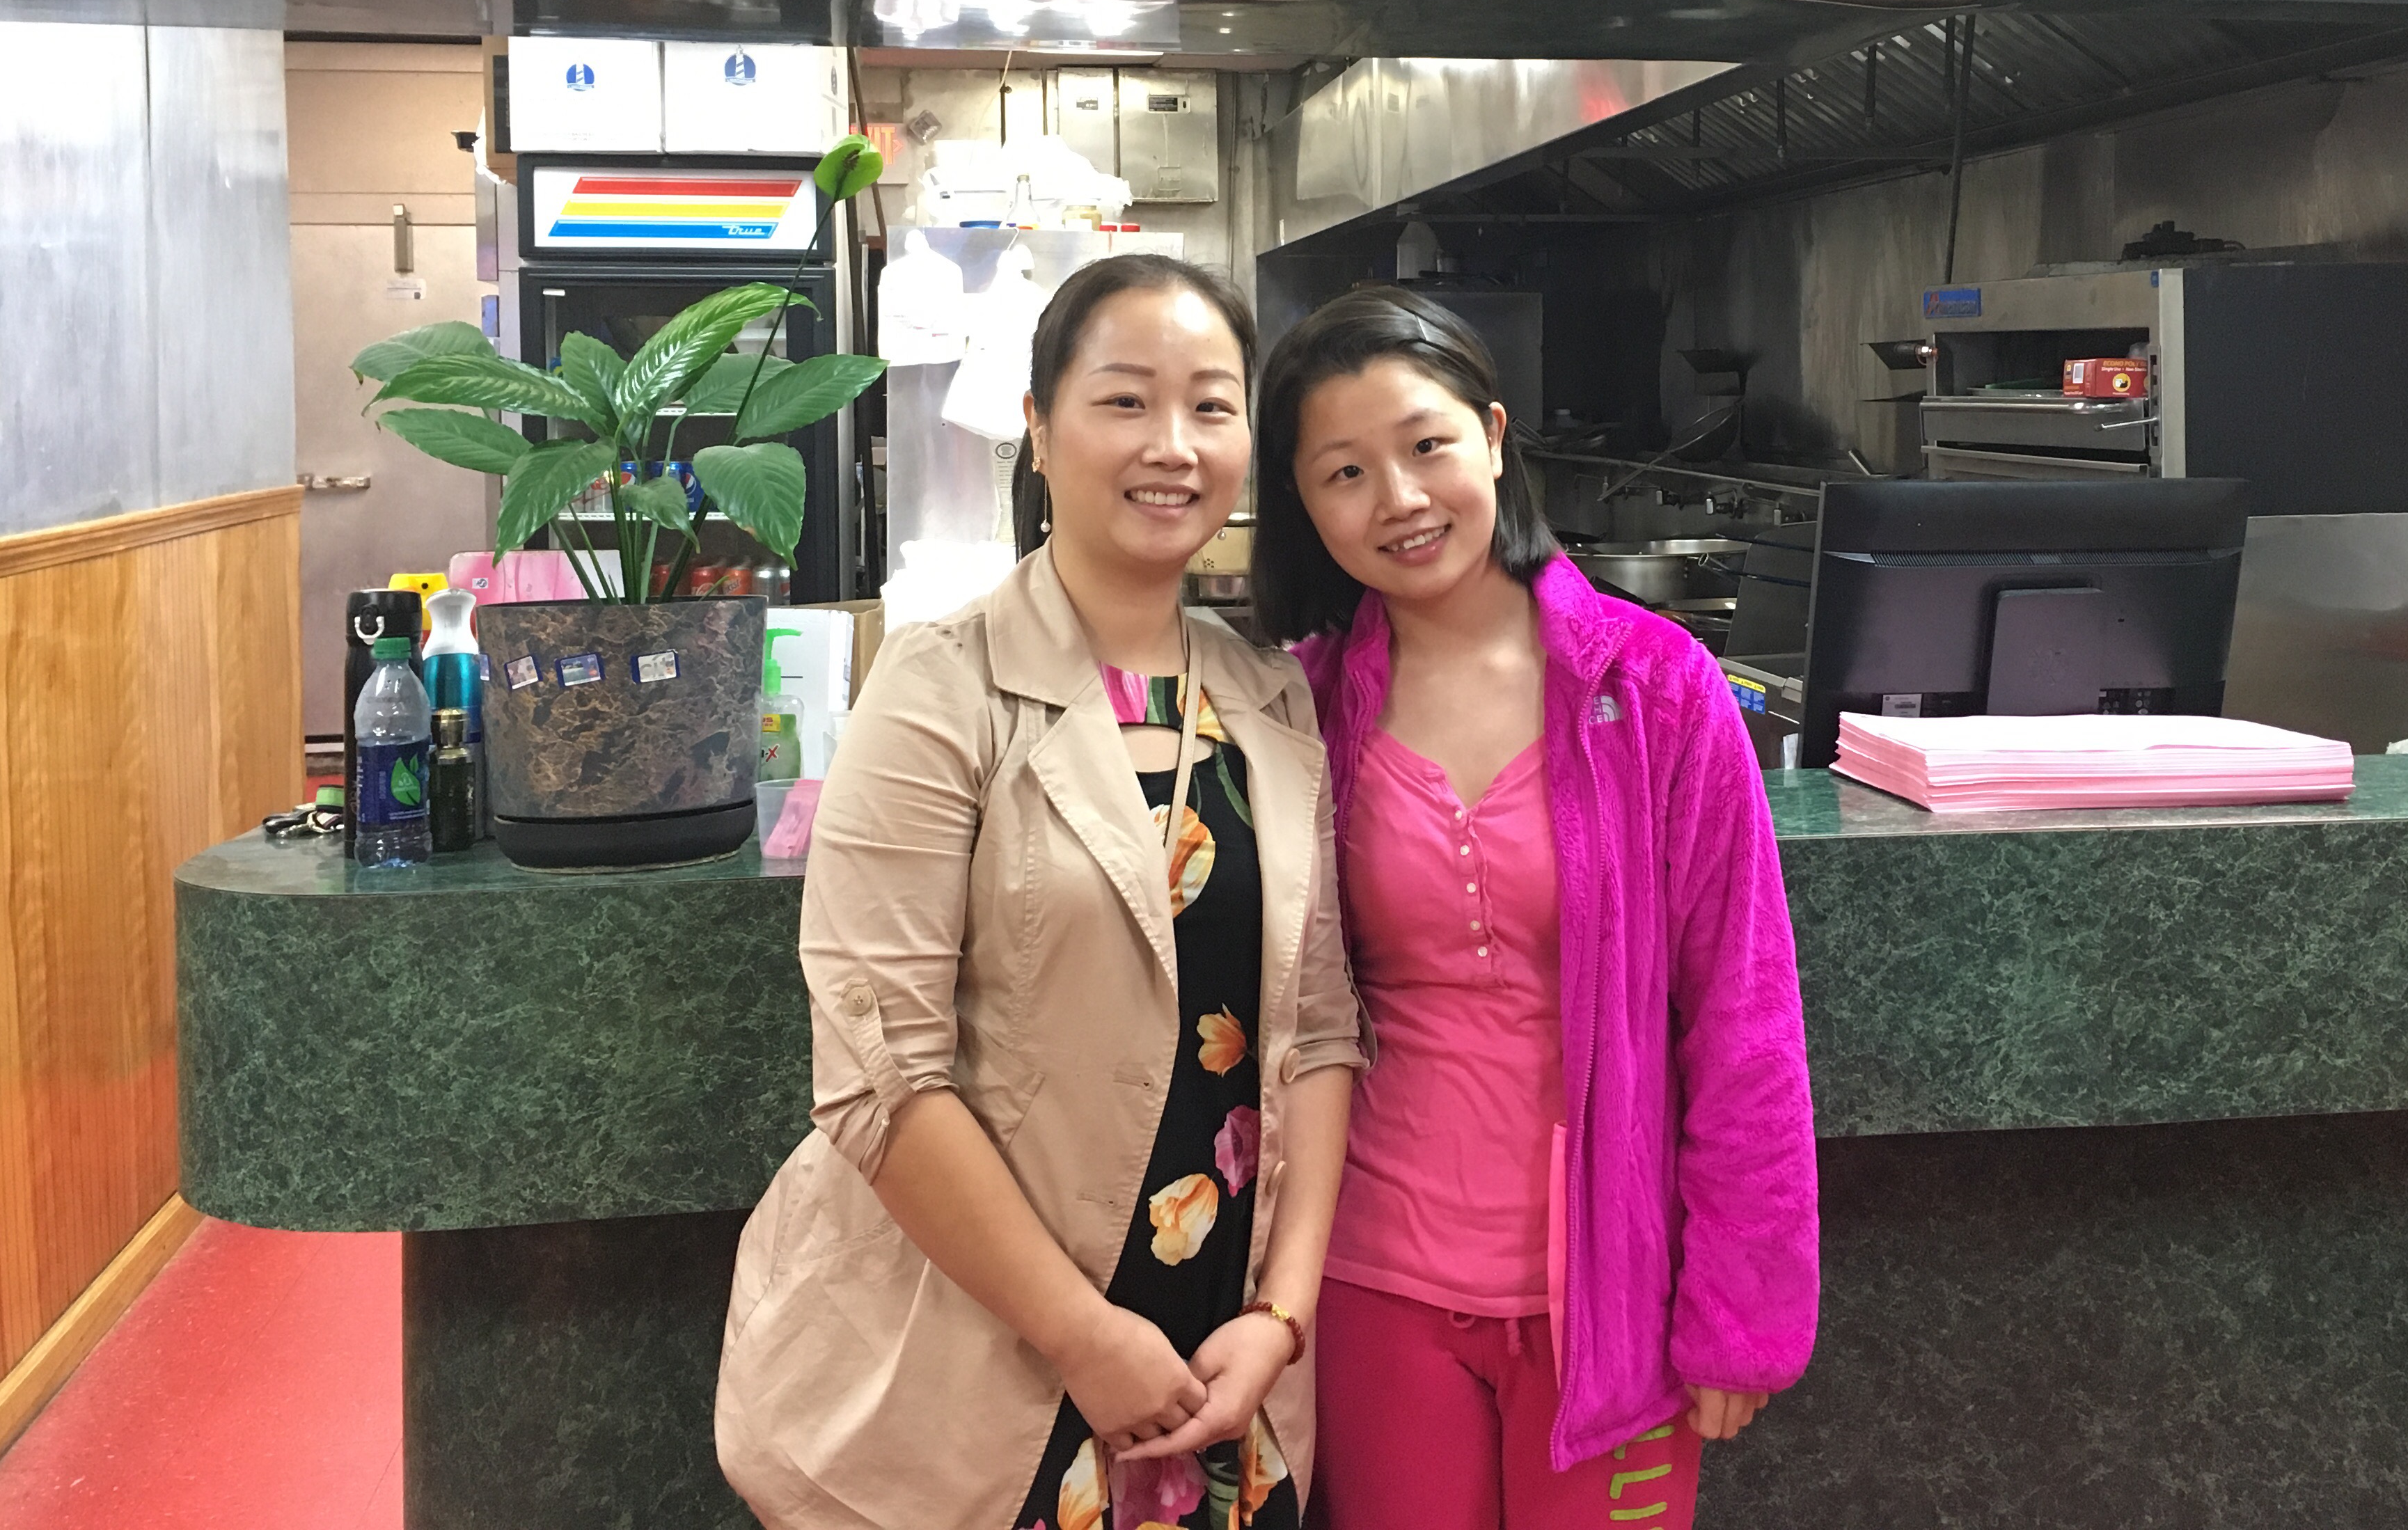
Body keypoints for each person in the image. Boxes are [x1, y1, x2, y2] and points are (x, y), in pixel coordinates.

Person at [718, 256, 1363, 1530]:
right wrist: (1082, 1336)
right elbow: (880, 1074)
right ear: (1039, 423)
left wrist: (1283, 1318)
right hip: (998, 1352)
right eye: (1124, 401)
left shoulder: (1271, 694)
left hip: (1226, 1353)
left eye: (1212, 406)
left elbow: (1324, 1029)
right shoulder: (939, 686)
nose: (1172, 445)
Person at [1253, 288, 1818, 1530]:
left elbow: (1745, 1016)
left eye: (1427, 445)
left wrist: (1741, 1311)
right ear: (1302, 500)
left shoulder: (1653, 687)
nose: (1400, 498)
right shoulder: (1300, 708)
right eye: (1345, 472)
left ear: (1495, 437)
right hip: (1373, 1284)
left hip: (1610, 1303)